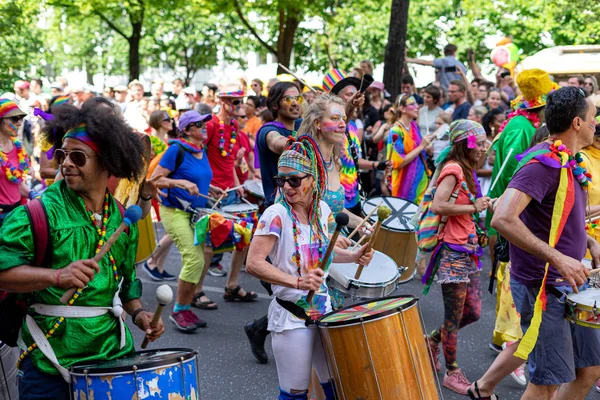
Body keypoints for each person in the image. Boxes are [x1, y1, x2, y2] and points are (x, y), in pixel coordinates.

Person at [0, 102, 164, 399]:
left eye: (78, 156)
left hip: (111, 356)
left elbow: (127, 285)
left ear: (107, 163)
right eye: (62, 154)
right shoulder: (37, 214)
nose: (66, 163)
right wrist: (57, 276)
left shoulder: (121, 217)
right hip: (48, 356)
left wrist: (140, 315)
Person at [468, 86, 600, 400]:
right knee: (546, 381)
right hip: (545, 287)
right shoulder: (542, 162)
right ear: (577, 123)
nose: (597, 123)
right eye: (593, 117)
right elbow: (502, 217)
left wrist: (589, 242)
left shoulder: (568, 161)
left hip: (569, 282)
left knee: (589, 371)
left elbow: (559, 217)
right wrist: (558, 258)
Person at [246, 135, 373, 400]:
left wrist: (353, 256)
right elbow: (254, 263)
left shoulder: (322, 210)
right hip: (292, 318)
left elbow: (323, 253)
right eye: (281, 181)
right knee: (295, 394)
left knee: (334, 389)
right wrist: (297, 283)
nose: (287, 187)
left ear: (312, 180)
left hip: (323, 312)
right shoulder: (276, 215)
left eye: (294, 180)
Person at [151, 111, 224, 332]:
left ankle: (184, 306)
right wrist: (180, 182)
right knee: (194, 259)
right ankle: (178, 311)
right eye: (198, 124)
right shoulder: (176, 149)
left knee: (199, 260)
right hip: (175, 211)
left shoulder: (202, 150)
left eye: (205, 123)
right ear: (186, 130)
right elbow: (155, 179)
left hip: (196, 212)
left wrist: (210, 188)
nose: (204, 126)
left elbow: (197, 179)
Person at [203, 83, 258, 302]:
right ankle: (196, 292)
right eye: (235, 101)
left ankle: (232, 285)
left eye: (241, 101)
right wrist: (207, 187)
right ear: (222, 102)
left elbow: (229, 162)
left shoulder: (234, 126)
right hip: (213, 194)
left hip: (231, 191)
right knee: (208, 246)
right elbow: (200, 157)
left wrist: (238, 184)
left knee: (243, 238)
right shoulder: (210, 125)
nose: (239, 105)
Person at [385, 94, 434, 203]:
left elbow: (418, 151)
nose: (417, 107)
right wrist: (422, 146)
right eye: (412, 104)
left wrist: (427, 149)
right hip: (404, 186)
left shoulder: (413, 126)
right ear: (402, 109)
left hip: (420, 184)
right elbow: (398, 162)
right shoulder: (396, 131)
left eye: (416, 103)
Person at [0, 98, 30, 228]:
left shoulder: (18, 147)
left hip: (17, 214)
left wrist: (34, 195)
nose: (19, 123)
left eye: (21, 118)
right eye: (14, 119)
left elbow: (18, 184)